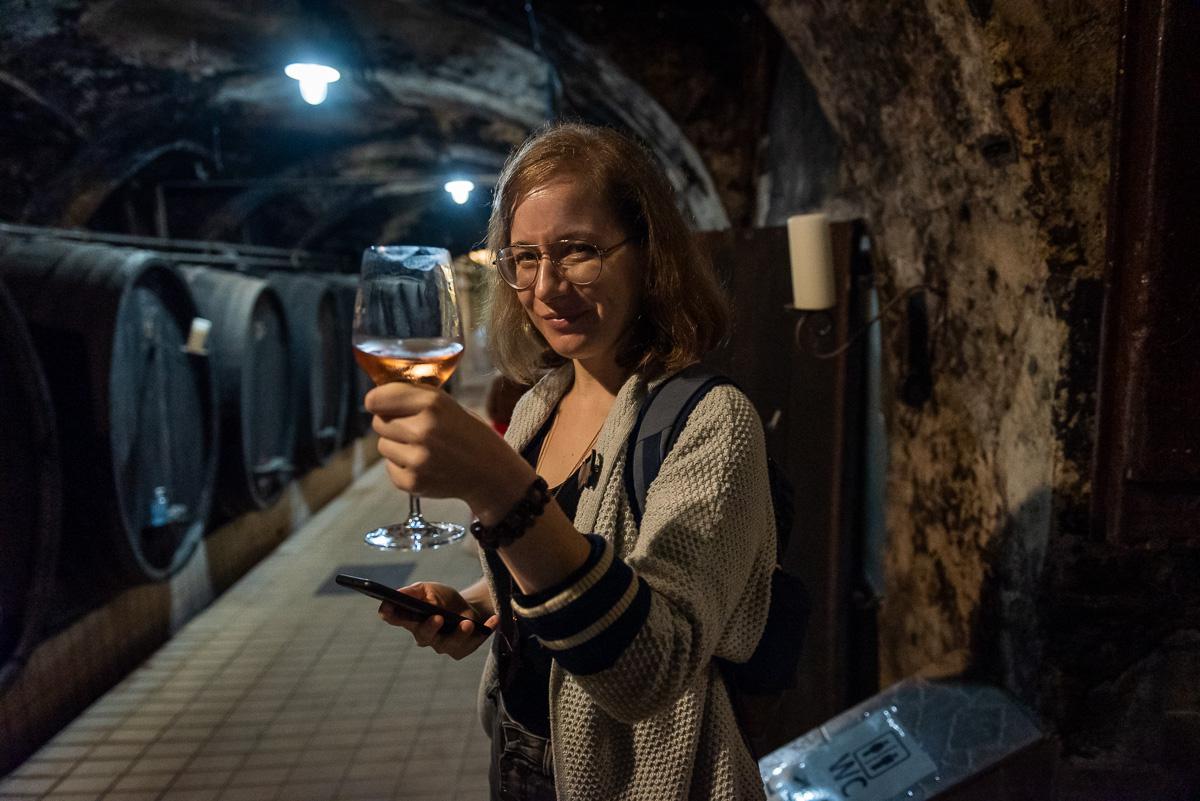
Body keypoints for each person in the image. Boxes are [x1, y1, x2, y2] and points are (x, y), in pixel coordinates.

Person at [365, 121, 775, 800]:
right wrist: (480, 604)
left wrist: (499, 486)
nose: (547, 285)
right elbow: (565, 566)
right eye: (524, 257)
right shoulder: (540, 405)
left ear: (648, 254)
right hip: (519, 752)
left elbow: (650, 671)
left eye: (578, 250)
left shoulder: (711, 421)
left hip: (645, 778)